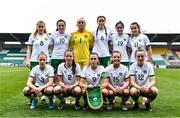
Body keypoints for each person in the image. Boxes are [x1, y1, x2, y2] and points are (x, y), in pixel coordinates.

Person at [25, 20, 51, 105]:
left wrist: (49, 56)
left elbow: (51, 47)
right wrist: (27, 59)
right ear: (37, 27)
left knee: (46, 79)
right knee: (33, 81)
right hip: (34, 60)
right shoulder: (32, 36)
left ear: (44, 27)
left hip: (46, 60)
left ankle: (45, 97)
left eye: (42, 26)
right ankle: (32, 98)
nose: (40, 28)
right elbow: (29, 48)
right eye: (39, 26)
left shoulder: (48, 36)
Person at [128, 22, 153, 105]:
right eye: (132, 29)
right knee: (134, 80)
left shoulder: (144, 37)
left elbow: (149, 48)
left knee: (145, 79)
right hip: (133, 61)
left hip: (143, 60)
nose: (133, 30)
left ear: (138, 28)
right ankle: (135, 99)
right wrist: (129, 58)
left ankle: (145, 97)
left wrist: (149, 59)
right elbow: (129, 49)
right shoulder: (130, 39)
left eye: (135, 28)